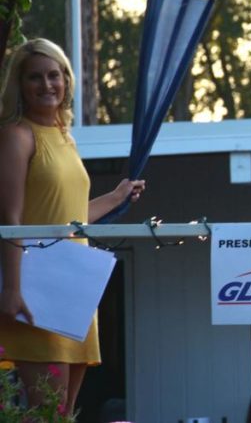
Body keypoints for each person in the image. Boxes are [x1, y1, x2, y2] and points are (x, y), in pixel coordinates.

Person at [0, 38, 145, 412]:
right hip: (36, 288)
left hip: (74, 284)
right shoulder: (17, 135)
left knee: (62, 411)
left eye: (54, 75)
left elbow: (70, 219)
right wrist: (13, 290)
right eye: (35, 77)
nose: (46, 85)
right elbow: (10, 219)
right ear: (20, 84)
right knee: (46, 409)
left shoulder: (66, 137)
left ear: (66, 80)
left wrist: (117, 197)